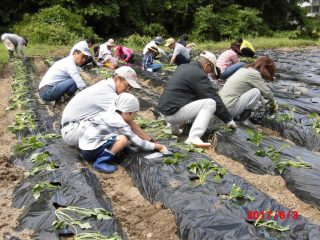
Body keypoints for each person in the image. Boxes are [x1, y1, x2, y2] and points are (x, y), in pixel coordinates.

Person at [158, 51, 236, 148]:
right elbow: (212, 96)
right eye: (210, 70)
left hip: (164, 111)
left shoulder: (183, 67)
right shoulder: (198, 74)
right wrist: (228, 119)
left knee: (184, 97)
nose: (209, 74)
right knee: (210, 103)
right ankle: (194, 137)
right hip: (172, 114)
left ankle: (174, 130)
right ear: (207, 65)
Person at [61, 66, 152, 147]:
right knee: (123, 136)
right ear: (117, 79)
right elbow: (126, 120)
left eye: (130, 88)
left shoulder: (106, 86)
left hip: (75, 127)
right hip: (72, 131)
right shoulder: (106, 92)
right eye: (127, 85)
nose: (128, 90)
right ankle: (99, 155)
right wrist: (148, 140)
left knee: (122, 133)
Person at [79, 92, 168, 173]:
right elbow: (139, 143)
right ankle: (100, 162)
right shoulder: (119, 122)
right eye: (135, 113)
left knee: (125, 139)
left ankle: (101, 155)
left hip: (85, 147)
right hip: (90, 151)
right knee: (123, 140)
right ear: (126, 112)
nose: (135, 116)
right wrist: (158, 146)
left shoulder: (110, 114)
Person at [220, 56, 276, 122]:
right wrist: (274, 104)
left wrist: (266, 106)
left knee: (256, 90)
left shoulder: (244, 70)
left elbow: (262, 94)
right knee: (256, 92)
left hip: (221, 109)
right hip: (229, 110)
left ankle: (238, 117)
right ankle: (242, 120)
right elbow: (267, 93)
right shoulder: (254, 74)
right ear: (265, 68)